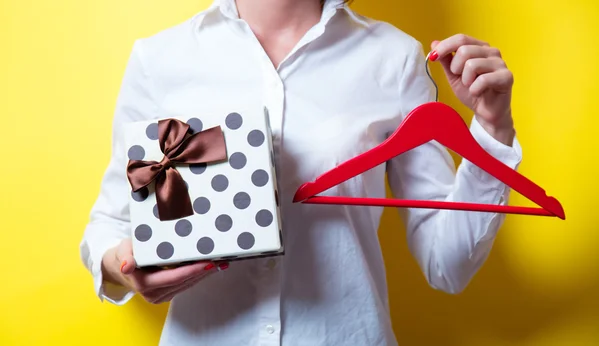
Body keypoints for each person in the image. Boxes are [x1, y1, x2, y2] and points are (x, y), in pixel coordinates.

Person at [79, 0, 522, 345]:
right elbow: (109, 227)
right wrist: (127, 267)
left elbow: (447, 265)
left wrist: (492, 131)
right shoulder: (160, 59)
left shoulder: (395, 59)